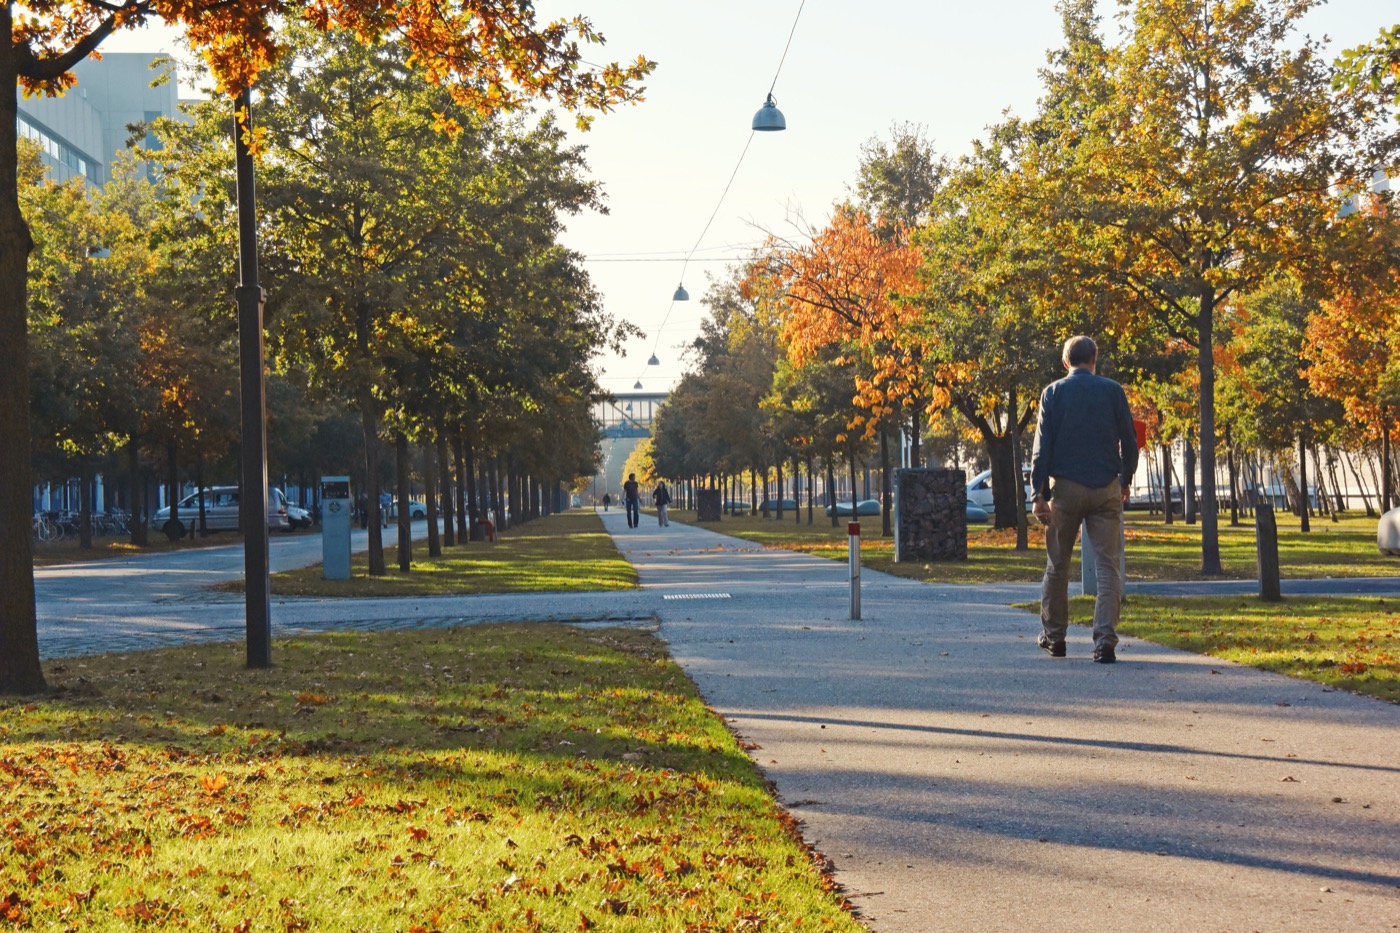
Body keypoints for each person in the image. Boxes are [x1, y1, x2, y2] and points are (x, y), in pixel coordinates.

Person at [1029, 335, 1138, 664]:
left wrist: (1039, 494)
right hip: (1106, 487)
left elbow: (1042, 449)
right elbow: (1129, 442)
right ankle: (1104, 640)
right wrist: (1125, 480)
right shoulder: (1113, 391)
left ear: (1065, 362)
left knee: (1058, 565)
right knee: (1108, 567)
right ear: (1095, 359)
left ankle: (1054, 637)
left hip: (1066, 489)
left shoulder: (1053, 393)